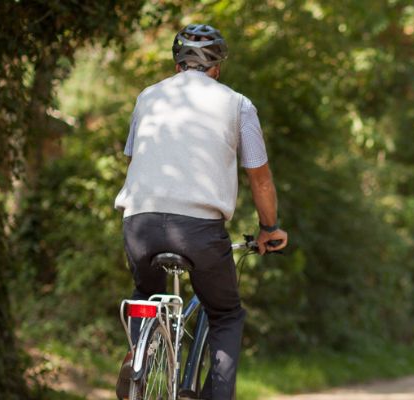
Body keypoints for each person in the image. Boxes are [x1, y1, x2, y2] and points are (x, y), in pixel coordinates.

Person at [113, 24, 288, 400]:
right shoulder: (237, 104)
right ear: (217, 67)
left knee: (146, 294)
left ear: (177, 65)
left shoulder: (148, 98)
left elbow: (132, 159)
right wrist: (269, 228)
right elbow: (260, 179)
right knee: (226, 314)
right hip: (199, 231)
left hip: (138, 222)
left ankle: (140, 347)